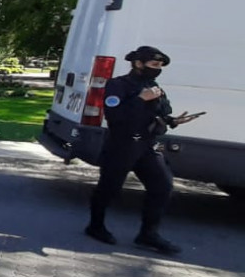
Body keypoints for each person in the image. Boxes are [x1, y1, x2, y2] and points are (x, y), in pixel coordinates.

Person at [84, 46, 198, 256]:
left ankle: (148, 234)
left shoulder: (154, 86)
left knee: (163, 186)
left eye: (160, 66)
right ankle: (95, 226)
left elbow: (161, 114)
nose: (158, 69)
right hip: (121, 145)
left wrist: (174, 120)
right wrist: (139, 100)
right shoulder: (118, 85)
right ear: (138, 63)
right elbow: (115, 117)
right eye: (154, 64)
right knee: (109, 188)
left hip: (146, 145)